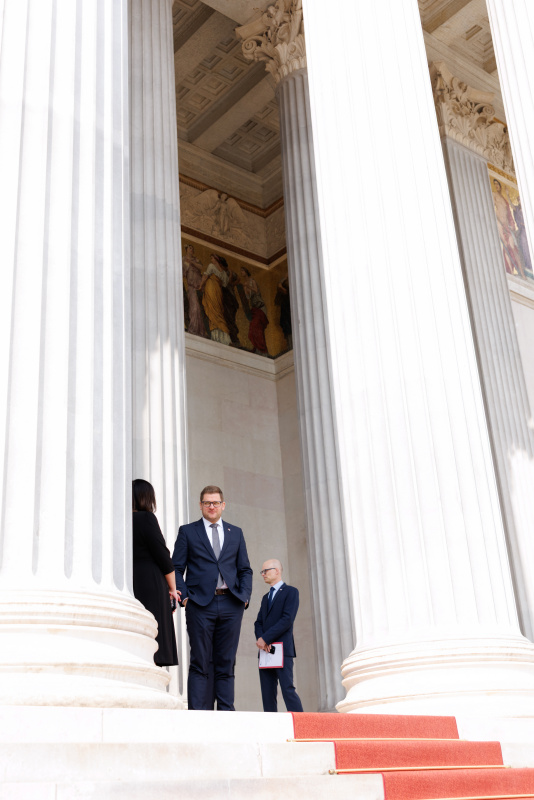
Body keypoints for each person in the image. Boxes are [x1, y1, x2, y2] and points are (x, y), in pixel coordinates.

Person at [172, 485, 253, 710]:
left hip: (231, 603)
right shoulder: (188, 531)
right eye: (207, 502)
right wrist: (185, 597)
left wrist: (244, 597)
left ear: (223, 505)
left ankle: (226, 714)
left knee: (226, 663)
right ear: (200, 505)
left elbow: (245, 569)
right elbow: (176, 568)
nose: (211, 506)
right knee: (200, 661)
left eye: (215, 502)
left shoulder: (235, 533)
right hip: (199, 604)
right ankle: (199, 714)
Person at [132, 479, 179, 667]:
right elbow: (163, 555)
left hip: (130, 579)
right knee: (154, 635)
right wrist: (173, 589)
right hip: (151, 581)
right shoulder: (146, 518)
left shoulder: (121, 520)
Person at [255, 559, 303, 713]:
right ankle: (271, 729)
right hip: (265, 651)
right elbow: (258, 622)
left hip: (282, 649)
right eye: (262, 572)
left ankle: (301, 725)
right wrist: (261, 640)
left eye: (266, 571)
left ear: (277, 571)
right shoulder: (265, 598)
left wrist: (266, 638)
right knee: (267, 694)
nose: (263, 574)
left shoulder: (291, 592)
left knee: (287, 689)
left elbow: (287, 619)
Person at [200, 254, 232, 345]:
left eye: (212, 258)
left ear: (216, 260)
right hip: (218, 290)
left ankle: (217, 336)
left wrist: (201, 285)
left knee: (212, 309)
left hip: (211, 288)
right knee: (218, 310)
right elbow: (225, 284)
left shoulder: (211, 266)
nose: (211, 259)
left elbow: (205, 275)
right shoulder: (224, 273)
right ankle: (222, 336)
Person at [240, 267, 269, 356]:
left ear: (246, 271)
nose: (241, 272)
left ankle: (262, 349)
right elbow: (248, 297)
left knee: (257, 327)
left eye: (242, 271)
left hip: (260, 308)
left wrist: (248, 286)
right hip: (254, 309)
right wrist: (245, 289)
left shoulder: (252, 280)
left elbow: (256, 291)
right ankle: (258, 348)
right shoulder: (245, 283)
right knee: (253, 329)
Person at [182, 244, 207, 338]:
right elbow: (182, 271)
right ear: (186, 249)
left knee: (201, 307)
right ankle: (193, 329)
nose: (191, 249)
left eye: (192, 248)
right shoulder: (183, 259)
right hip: (191, 286)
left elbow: (201, 267)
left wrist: (192, 263)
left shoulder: (196, 260)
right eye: (190, 248)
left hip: (199, 286)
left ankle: (201, 331)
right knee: (194, 308)